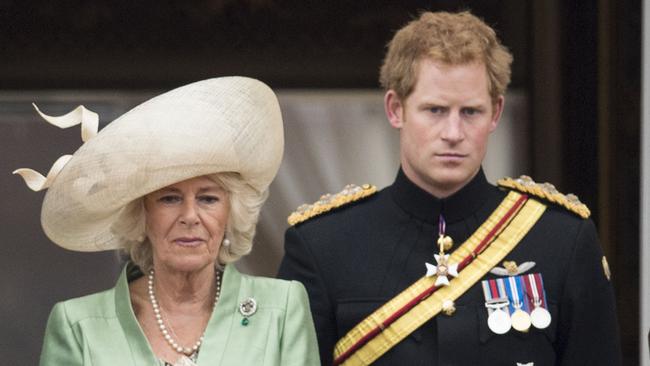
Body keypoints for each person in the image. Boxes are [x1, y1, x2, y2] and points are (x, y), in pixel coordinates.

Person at [278, 11, 621, 366]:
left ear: (496, 113)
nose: (453, 133)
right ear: (396, 109)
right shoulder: (323, 245)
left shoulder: (562, 240)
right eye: (436, 110)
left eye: (470, 112)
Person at [15, 77, 320, 366]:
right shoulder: (77, 324)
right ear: (141, 214)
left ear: (231, 213)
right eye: (169, 198)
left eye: (208, 199)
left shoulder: (281, 308)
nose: (190, 216)